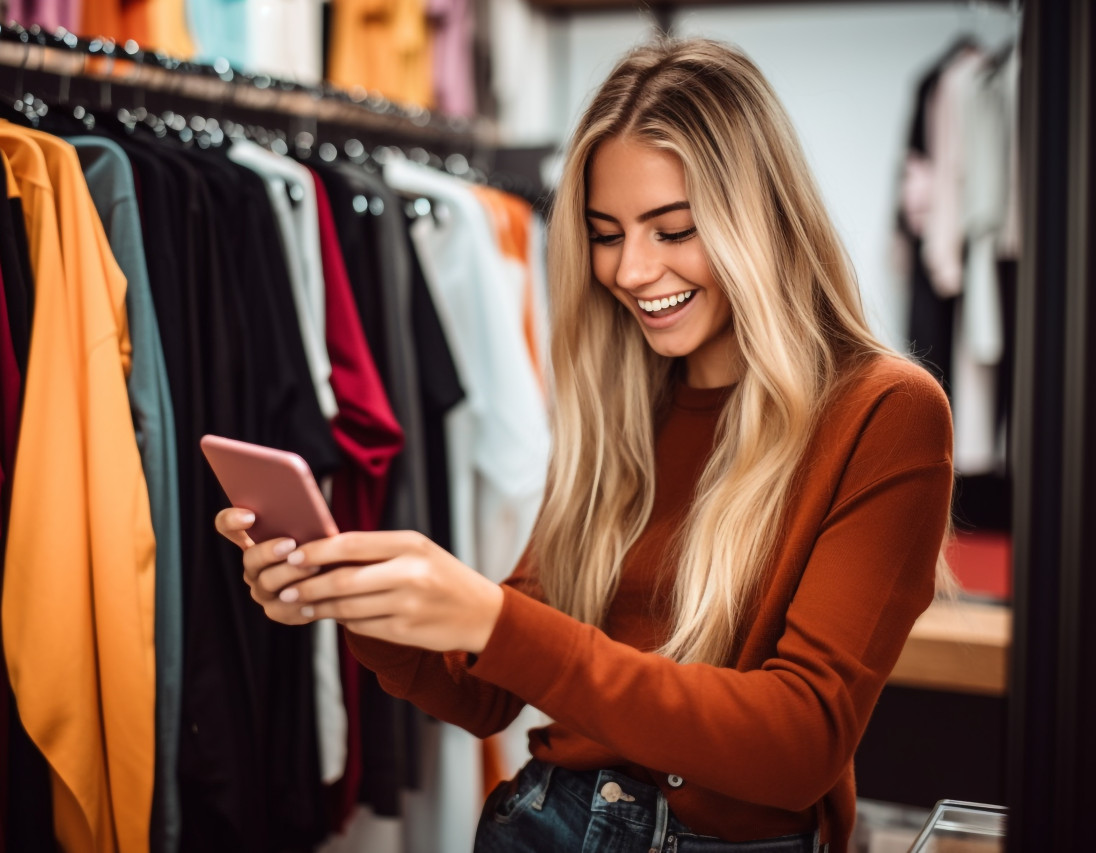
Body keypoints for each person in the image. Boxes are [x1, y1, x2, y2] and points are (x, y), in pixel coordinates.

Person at [215, 37, 954, 853]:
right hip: (541, 820)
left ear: (759, 218)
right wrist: (356, 597)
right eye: (607, 234)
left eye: (672, 230)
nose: (633, 270)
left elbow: (799, 744)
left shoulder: (884, 412)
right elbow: (487, 691)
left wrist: (496, 620)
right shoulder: (622, 402)